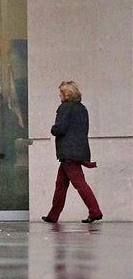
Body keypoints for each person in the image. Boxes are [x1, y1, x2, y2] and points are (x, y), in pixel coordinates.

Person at [42, 81, 102, 224]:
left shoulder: (65, 108)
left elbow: (60, 128)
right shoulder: (82, 108)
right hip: (78, 150)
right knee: (61, 184)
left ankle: (95, 211)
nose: (59, 96)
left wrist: (53, 129)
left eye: (61, 93)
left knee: (79, 183)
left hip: (68, 152)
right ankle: (53, 215)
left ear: (66, 94)